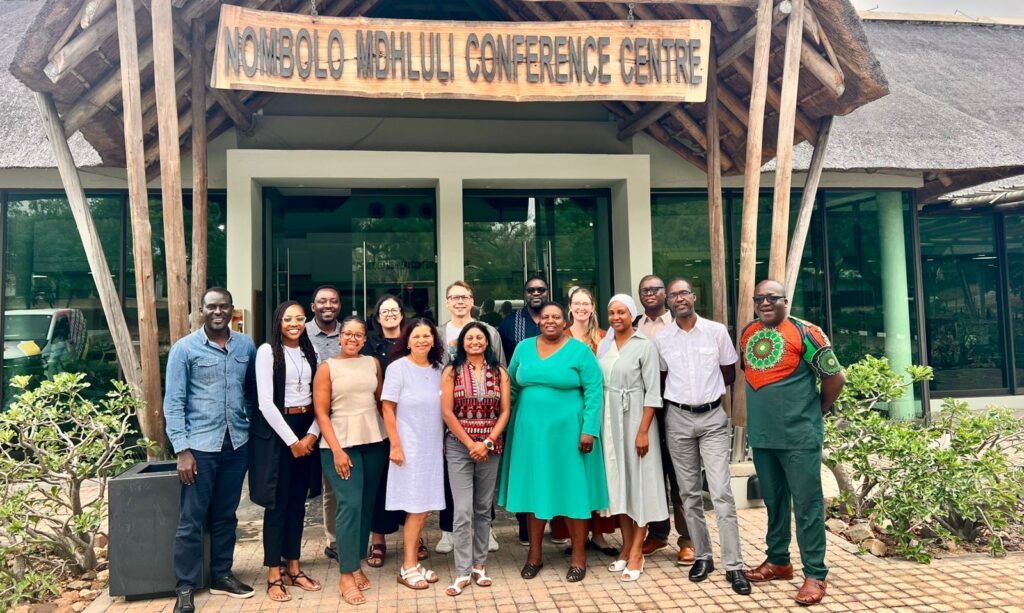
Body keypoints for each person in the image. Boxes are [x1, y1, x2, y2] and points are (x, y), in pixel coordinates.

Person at [740, 279, 846, 606]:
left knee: (808, 505)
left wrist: (816, 411)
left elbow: (835, 378)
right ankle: (778, 561)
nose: (765, 303)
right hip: (762, 435)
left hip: (799, 435)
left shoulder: (807, 333)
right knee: (773, 502)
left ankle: (815, 573)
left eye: (772, 298)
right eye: (760, 298)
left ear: (786, 300)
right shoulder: (747, 333)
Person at [498, 302, 607, 583]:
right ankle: (534, 556)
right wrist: (502, 425)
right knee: (536, 492)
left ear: (564, 320)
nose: (550, 321)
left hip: (570, 434)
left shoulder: (580, 351)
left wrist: (589, 430)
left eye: (556, 317)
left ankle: (579, 558)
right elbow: (510, 386)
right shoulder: (523, 348)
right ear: (539, 322)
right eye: (545, 317)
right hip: (529, 435)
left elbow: (594, 390)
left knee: (573, 493)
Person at [654, 279, 750, 596]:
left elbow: (728, 373)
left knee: (721, 492)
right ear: (668, 302)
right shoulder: (663, 338)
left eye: (684, 293)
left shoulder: (716, 331)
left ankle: (734, 565)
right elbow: (663, 377)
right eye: (673, 295)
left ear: (694, 297)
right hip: (678, 419)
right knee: (689, 493)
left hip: (712, 417)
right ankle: (703, 557)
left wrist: (708, 399)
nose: (679, 298)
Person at [164, 288, 257, 613]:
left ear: (232, 310)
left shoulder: (246, 345)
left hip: (237, 444)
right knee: (191, 519)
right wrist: (182, 450)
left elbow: (250, 392)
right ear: (201, 310)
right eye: (211, 307)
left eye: (224, 307)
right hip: (200, 448)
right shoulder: (184, 349)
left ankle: (221, 575)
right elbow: (173, 402)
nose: (218, 312)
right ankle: (185, 587)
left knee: (226, 516)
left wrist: (247, 423)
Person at [250, 301, 323, 602]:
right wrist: (292, 441)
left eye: (300, 319)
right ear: (278, 321)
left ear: (306, 321)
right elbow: (265, 402)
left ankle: (294, 567)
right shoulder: (267, 352)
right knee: (277, 505)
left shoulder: (312, 352)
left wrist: (311, 434)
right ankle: (273, 574)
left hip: (307, 427)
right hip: (280, 432)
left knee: (298, 504)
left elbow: (321, 398)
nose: (294, 324)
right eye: (287, 319)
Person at [314, 315, 388, 606]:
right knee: (350, 505)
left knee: (366, 507)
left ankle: (356, 564)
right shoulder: (327, 368)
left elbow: (381, 403)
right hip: (340, 444)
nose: (353, 339)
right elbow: (321, 413)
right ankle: (346, 575)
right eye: (348, 334)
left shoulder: (373, 364)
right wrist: (337, 450)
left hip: (374, 441)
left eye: (359, 335)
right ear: (340, 336)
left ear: (365, 339)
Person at [595, 294, 668, 582]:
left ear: (632, 315)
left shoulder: (645, 346)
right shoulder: (604, 344)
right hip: (610, 421)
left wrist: (642, 430)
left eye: (621, 312)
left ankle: (637, 550)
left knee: (640, 484)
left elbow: (653, 392)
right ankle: (625, 547)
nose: (616, 317)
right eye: (612, 312)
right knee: (619, 485)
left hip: (637, 419)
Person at [439, 322, 511, 596]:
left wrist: (488, 442)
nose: (475, 342)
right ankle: (462, 571)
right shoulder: (451, 371)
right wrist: (471, 444)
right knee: (462, 510)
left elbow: (505, 411)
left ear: (487, 342)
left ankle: (480, 565)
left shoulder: (499, 372)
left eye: (480, 337)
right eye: (469, 338)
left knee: (483, 508)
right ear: (461, 343)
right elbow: (447, 412)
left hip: (491, 447)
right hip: (460, 446)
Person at [437, 281, 504, 555]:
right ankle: (447, 531)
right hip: (448, 413)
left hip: (485, 417)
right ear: (447, 302)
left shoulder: (489, 331)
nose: (460, 302)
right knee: (451, 475)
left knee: (485, 478)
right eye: (454, 297)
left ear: (472, 300)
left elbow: (499, 368)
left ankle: (487, 530)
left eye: (464, 297)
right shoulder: (439, 333)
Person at [382, 318, 446, 590]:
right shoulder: (398, 368)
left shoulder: (439, 369)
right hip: (408, 447)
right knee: (416, 508)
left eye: (427, 336)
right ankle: (407, 566)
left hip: (433, 447)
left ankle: (415, 563)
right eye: (416, 336)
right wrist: (395, 445)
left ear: (434, 340)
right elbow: (387, 408)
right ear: (407, 341)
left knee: (425, 508)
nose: (422, 341)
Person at [634, 274, 694, 565]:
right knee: (651, 473)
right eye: (644, 290)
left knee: (679, 474)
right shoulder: (634, 325)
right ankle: (658, 533)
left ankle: (688, 539)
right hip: (642, 408)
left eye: (655, 289)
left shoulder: (679, 324)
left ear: (665, 295)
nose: (649, 294)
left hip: (673, 404)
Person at [554, 286, 618, 555]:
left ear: (593, 307)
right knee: (570, 473)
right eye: (576, 303)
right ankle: (571, 534)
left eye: (586, 303)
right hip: (567, 414)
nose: (581, 308)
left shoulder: (604, 338)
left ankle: (600, 534)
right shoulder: (560, 337)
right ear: (569, 307)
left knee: (598, 473)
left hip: (600, 412)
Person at [360, 294, 422, 567]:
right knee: (380, 481)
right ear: (377, 317)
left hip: (412, 423)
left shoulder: (412, 341)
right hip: (378, 421)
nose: (389, 315)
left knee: (411, 478)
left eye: (394, 310)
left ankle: (415, 538)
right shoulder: (368, 346)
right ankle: (379, 541)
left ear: (401, 314)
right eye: (384, 311)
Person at [497, 275, 549, 543]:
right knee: (526, 464)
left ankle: (557, 524)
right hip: (521, 406)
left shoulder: (558, 318)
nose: (536, 293)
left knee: (551, 464)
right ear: (524, 293)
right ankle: (526, 525)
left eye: (541, 289)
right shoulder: (509, 324)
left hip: (554, 413)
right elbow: (504, 365)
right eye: (531, 290)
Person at [304, 285, 343, 561]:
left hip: (341, 417)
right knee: (299, 484)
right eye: (322, 301)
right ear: (313, 305)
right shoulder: (299, 332)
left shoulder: (350, 333)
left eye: (333, 301)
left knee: (335, 483)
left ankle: (336, 540)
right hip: (304, 417)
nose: (328, 305)